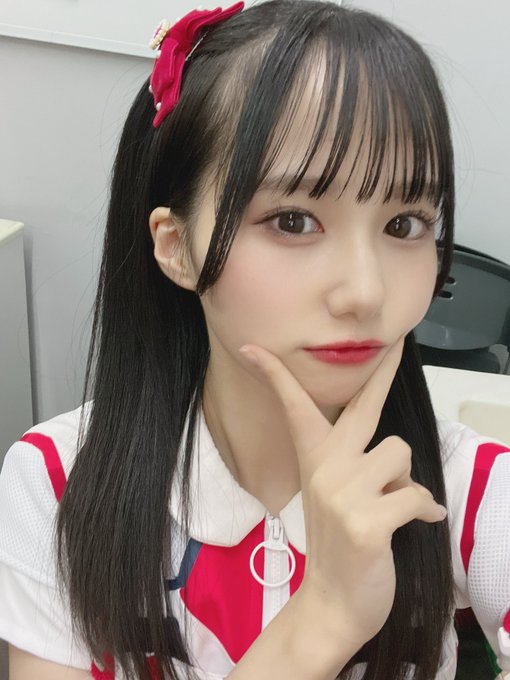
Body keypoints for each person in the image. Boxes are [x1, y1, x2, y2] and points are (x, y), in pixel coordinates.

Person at [0, 1, 509, 678]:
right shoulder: (58, 483)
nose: (366, 293)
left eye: (404, 224)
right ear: (176, 247)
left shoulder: (474, 491)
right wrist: (322, 619)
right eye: (293, 220)